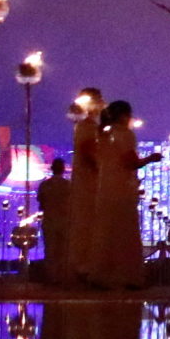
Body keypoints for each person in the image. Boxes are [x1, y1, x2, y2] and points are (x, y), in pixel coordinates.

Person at [86, 99, 159, 288]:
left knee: (105, 232)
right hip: (122, 189)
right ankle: (127, 276)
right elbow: (130, 162)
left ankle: (101, 274)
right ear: (124, 115)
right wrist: (151, 158)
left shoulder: (103, 134)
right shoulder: (125, 135)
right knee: (124, 232)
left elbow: (94, 157)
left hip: (105, 188)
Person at [67, 88, 106, 288]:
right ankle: (85, 267)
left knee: (86, 220)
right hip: (89, 182)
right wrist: (104, 171)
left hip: (85, 181)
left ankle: (85, 266)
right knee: (88, 220)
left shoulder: (86, 126)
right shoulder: (88, 127)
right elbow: (88, 152)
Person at [36, 156, 73, 283]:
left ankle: (51, 277)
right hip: (64, 220)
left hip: (49, 220)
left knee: (50, 249)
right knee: (63, 250)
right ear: (63, 169)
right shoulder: (68, 185)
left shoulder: (45, 185)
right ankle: (62, 277)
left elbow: (41, 203)